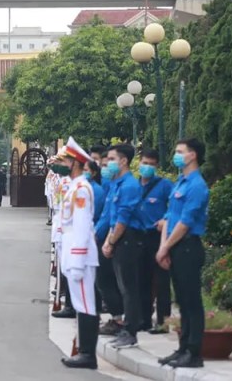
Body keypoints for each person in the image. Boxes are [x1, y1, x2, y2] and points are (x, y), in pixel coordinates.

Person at [156, 138, 209, 369]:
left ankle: (194, 352)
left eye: (180, 152)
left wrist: (166, 246)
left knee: (192, 302)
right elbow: (169, 217)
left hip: (188, 246)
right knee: (182, 301)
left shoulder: (197, 185)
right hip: (175, 246)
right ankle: (183, 347)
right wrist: (164, 246)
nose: (176, 155)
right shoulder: (180, 183)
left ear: (193, 155)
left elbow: (186, 222)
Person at [59, 138, 99, 370]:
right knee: (81, 302)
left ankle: (87, 354)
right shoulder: (75, 186)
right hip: (74, 253)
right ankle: (84, 351)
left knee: (85, 304)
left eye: (65, 160)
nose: (63, 164)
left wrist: (77, 257)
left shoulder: (82, 189)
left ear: (75, 163)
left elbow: (83, 225)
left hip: (80, 256)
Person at [102, 144, 144, 349]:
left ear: (123, 161)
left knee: (129, 289)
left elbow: (123, 219)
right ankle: (126, 329)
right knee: (123, 287)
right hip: (119, 238)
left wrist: (110, 241)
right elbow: (112, 218)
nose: (108, 163)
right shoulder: (117, 184)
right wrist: (108, 241)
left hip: (127, 239)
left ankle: (130, 330)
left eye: (111, 159)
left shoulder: (129, 185)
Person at [136, 149, 174, 334]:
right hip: (138, 236)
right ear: (139, 164)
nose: (147, 167)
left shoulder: (164, 185)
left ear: (157, 166)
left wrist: (165, 219)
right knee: (141, 280)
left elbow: (175, 206)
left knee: (161, 281)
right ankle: (144, 319)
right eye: (145, 163)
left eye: (151, 164)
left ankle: (162, 321)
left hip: (157, 236)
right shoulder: (135, 186)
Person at [94, 153, 125, 336]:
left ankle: (121, 321)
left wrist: (108, 240)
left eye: (109, 162)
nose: (105, 167)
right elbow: (107, 216)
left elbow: (119, 218)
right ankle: (117, 318)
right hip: (106, 237)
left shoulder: (125, 186)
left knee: (118, 283)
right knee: (104, 280)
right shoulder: (113, 185)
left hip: (119, 239)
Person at [50, 148, 76, 319]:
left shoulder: (73, 184)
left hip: (69, 232)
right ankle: (64, 293)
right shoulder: (64, 180)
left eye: (62, 162)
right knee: (63, 266)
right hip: (61, 226)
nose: (58, 165)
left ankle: (68, 300)